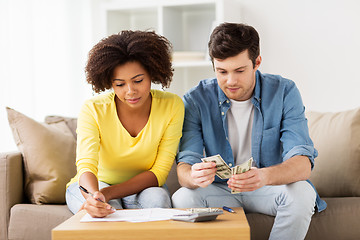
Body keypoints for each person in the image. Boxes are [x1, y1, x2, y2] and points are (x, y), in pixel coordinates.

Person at [171, 23, 326, 240]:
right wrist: (193, 175)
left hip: (268, 187)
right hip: (220, 189)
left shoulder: (284, 91)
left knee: (303, 193)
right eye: (222, 72)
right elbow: (184, 166)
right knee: (182, 198)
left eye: (240, 71)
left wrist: (263, 176)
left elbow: (302, 163)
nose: (231, 81)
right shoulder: (196, 99)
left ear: (257, 63)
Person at [66, 30, 184, 218]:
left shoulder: (172, 105)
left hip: (143, 186)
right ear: (109, 82)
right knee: (106, 210)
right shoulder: (93, 109)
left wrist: (110, 193)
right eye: (120, 84)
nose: (131, 91)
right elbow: (86, 164)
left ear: (152, 73)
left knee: (158, 200)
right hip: (98, 184)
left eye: (138, 80)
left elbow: (159, 172)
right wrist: (95, 196)